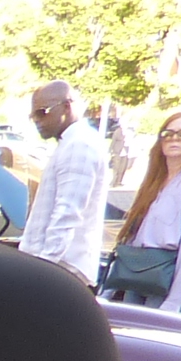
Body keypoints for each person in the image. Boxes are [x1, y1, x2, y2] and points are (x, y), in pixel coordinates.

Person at [111, 109, 181, 315]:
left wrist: (174, 302)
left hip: (175, 278)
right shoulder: (157, 180)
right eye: (167, 134)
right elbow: (134, 235)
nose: (174, 139)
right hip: (143, 273)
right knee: (131, 331)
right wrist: (109, 288)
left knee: (154, 333)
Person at [17, 80, 109, 282]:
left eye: (42, 112)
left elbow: (67, 214)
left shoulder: (80, 145)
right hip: (56, 267)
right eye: (33, 115)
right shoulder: (71, 142)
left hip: (62, 269)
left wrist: (45, 268)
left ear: (67, 106)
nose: (37, 120)